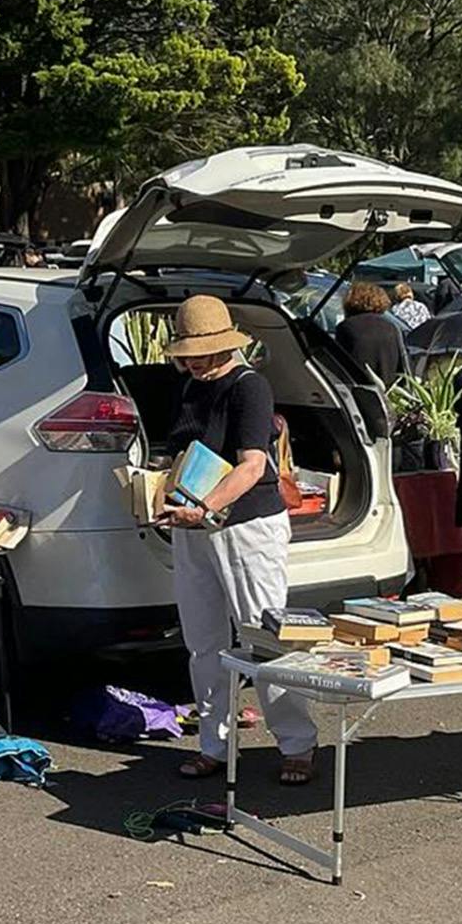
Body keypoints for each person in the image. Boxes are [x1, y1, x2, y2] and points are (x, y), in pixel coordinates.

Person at [157, 295, 318, 785]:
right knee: (202, 641)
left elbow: (253, 464)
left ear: (220, 347)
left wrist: (206, 506)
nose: (189, 363)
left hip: (246, 526)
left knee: (264, 636)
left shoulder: (250, 387)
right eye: (185, 354)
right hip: (195, 527)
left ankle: (297, 744)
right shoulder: (190, 386)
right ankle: (214, 743)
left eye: (195, 354)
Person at [334, 282, 410, 385]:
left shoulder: (346, 328)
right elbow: (401, 366)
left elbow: (337, 365)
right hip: (389, 391)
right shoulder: (392, 328)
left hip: (357, 390)